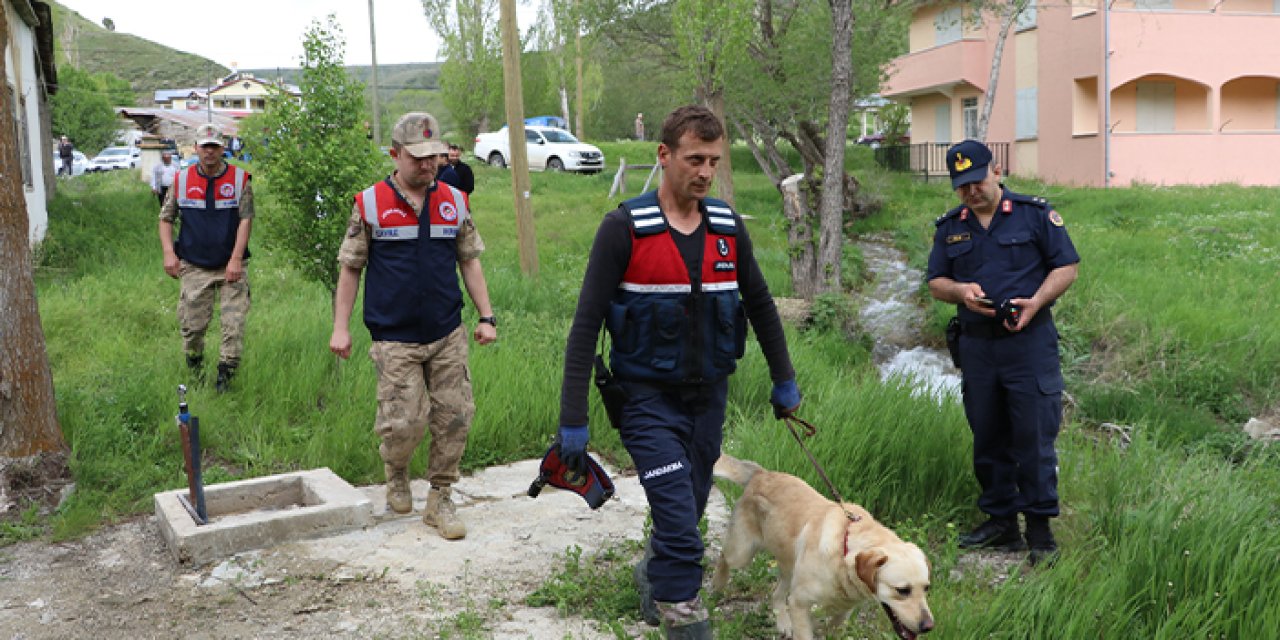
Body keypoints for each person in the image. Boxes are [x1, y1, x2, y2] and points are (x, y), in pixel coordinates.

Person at [556, 105, 800, 639]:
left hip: (709, 399)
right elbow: (585, 326)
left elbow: (760, 305)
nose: (706, 171)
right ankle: (684, 618)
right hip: (644, 401)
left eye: (714, 160)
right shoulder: (624, 229)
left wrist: (784, 379)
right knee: (681, 527)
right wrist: (573, 418)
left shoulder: (727, 228)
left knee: (685, 513)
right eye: (695, 159)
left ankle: (654, 574)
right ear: (664, 155)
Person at [329, 112, 498, 541]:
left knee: (455, 416)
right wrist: (340, 327)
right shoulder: (370, 204)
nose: (427, 165)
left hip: (446, 332)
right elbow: (350, 268)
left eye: (433, 156)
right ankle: (397, 470)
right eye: (417, 157)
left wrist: (486, 316)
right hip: (394, 336)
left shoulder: (455, 200)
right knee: (404, 423)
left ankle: (440, 496)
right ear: (395, 154)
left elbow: (469, 261)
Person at [925, 139, 1079, 566]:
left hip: (1028, 344)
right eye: (962, 186)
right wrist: (960, 292)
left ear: (996, 171)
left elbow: (1066, 267)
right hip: (977, 347)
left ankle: (1040, 532)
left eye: (977, 181)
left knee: (1033, 436)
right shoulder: (950, 227)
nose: (971, 191)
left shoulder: (1034, 214)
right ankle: (1001, 523)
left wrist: (1036, 302)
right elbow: (936, 282)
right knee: (988, 436)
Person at [158, 123, 254, 393]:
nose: (209, 151)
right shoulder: (181, 180)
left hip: (230, 265)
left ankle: (225, 378)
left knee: (233, 324)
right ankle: (195, 368)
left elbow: (246, 220)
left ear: (222, 149)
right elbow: (166, 218)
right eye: (204, 146)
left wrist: (236, 258)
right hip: (194, 264)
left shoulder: (240, 180)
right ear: (196, 148)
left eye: (214, 146)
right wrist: (169, 253)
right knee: (193, 326)